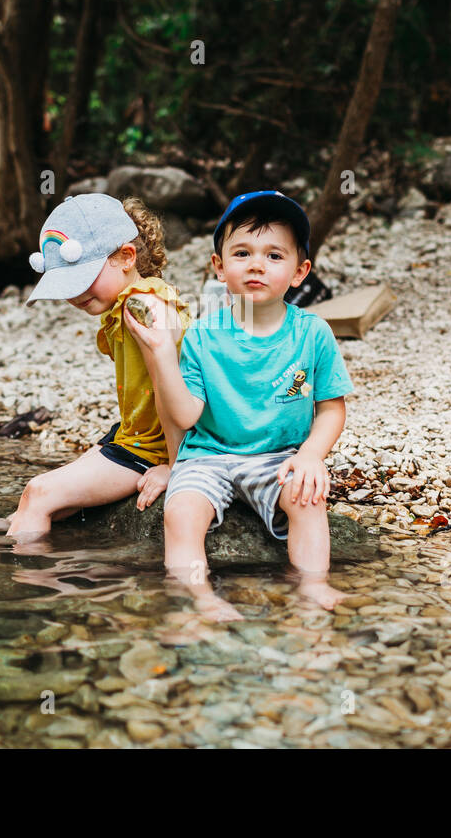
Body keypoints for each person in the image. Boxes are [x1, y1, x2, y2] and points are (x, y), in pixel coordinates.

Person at [125, 190, 353, 620]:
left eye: (274, 256)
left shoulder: (313, 333)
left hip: (278, 457)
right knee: (181, 513)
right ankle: (200, 598)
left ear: (300, 271)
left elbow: (332, 408)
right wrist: (160, 353)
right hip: (208, 455)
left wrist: (311, 457)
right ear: (219, 266)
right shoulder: (202, 336)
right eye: (242, 252)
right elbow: (186, 415)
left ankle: (312, 587)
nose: (256, 264)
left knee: (307, 500)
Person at [0, 192, 190, 543]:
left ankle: (23, 582)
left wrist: (174, 469)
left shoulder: (143, 309)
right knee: (40, 504)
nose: (73, 295)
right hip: (134, 437)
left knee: (38, 492)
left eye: (82, 278)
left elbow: (171, 389)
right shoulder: (137, 299)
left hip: (156, 448)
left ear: (126, 257)